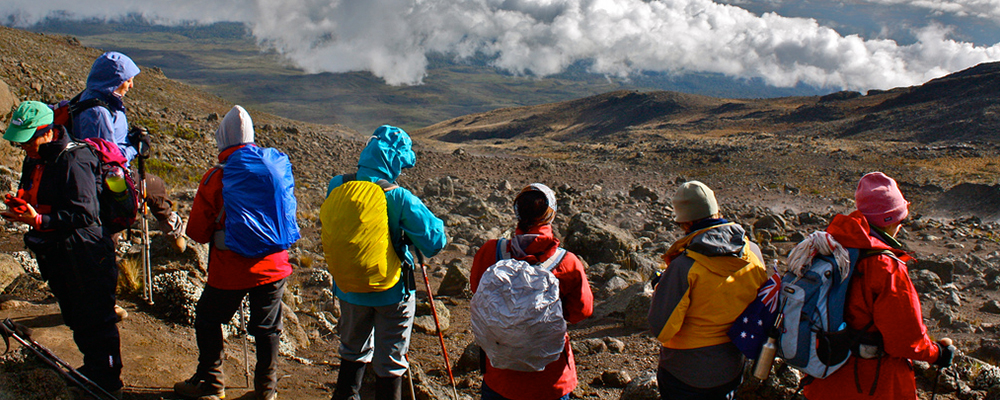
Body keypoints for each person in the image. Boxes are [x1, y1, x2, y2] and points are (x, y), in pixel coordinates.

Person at [2, 101, 123, 396]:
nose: (24, 147)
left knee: (96, 322)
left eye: (29, 139)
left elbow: (85, 213)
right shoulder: (36, 158)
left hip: (86, 254)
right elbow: (35, 190)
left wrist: (39, 219)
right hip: (58, 253)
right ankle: (94, 369)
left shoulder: (75, 160)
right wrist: (22, 204)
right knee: (77, 317)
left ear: (48, 131)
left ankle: (108, 383)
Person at [802, 172, 954, 399]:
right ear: (891, 220)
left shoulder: (829, 248)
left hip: (823, 377)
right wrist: (938, 353)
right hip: (872, 385)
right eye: (900, 219)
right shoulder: (885, 266)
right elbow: (904, 340)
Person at [174, 106, 291, 400]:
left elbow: (198, 233)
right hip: (274, 266)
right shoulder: (274, 169)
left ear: (223, 138)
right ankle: (267, 391)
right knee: (267, 330)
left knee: (208, 319)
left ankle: (211, 385)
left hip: (230, 270)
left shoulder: (216, 178)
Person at [329, 125, 447, 400]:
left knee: (352, 351)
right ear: (395, 161)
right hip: (391, 292)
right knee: (390, 362)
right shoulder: (398, 196)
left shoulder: (337, 185)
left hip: (348, 287)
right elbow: (435, 241)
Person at [469, 183, 594, 400]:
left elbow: (477, 289)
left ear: (517, 212)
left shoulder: (491, 252)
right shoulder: (567, 263)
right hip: (550, 379)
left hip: (500, 376)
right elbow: (581, 312)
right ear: (551, 215)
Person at [648, 180, 767, 400]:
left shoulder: (684, 267)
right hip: (733, 364)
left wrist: (662, 289)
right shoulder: (754, 253)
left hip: (685, 372)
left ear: (686, 222)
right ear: (716, 210)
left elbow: (662, 329)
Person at [72, 51, 186, 252]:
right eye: (127, 80)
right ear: (113, 80)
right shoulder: (97, 112)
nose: (131, 85)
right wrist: (134, 148)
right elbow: (106, 157)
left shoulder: (97, 99)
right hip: (107, 179)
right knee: (152, 188)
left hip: (102, 176)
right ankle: (175, 235)